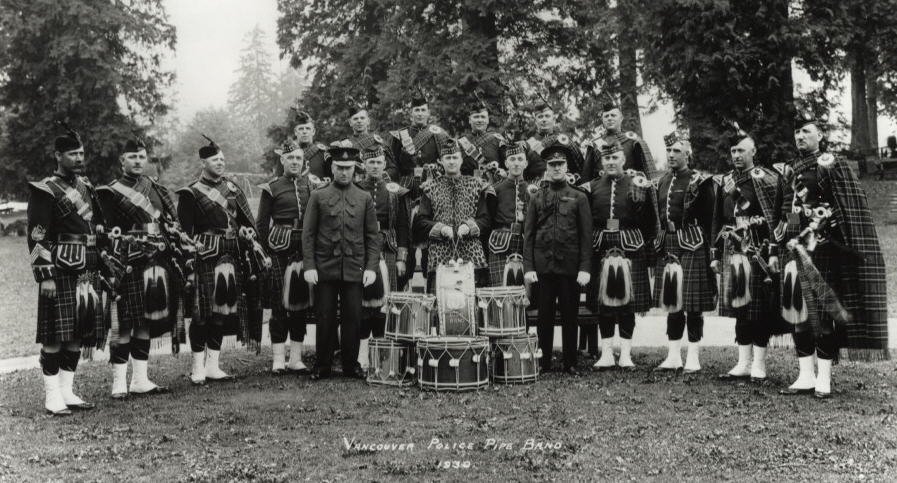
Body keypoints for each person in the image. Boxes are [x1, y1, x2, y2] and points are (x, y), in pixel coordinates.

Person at [778, 116, 889, 398]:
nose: (800, 136)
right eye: (797, 131)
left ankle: (824, 378)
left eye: (806, 131)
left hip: (822, 250)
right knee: (798, 312)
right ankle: (805, 374)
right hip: (794, 248)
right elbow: (785, 212)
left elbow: (849, 205)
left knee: (822, 314)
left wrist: (828, 226)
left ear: (820, 135)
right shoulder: (790, 169)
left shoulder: (830, 163)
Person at [96, 137, 185, 398]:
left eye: (141, 157)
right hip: (127, 262)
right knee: (124, 322)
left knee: (145, 318)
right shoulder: (109, 192)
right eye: (132, 157)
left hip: (157, 260)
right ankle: (118, 382)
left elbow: (172, 222)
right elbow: (105, 232)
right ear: (122, 161)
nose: (137, 161)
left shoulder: (155, 187)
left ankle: (141, 380)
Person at [27, 125, 104, 415]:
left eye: (81, 152)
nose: (79, 157)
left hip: (87, 267)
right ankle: (52, 395)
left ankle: (68, 391)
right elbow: (37, 236)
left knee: (77, 330)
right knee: (54, 335)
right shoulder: (44, 190)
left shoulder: (87, 187)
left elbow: (98, 228)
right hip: (59, 269)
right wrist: (44, 276)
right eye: (73, 153)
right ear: (58, 155)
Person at [177, 136, 262, 385]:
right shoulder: (190, 192)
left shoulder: (233, 189)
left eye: (223, 159)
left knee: (221, 311)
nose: (221, 163)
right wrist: (189, 263)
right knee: (201, 313)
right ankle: (197, 368)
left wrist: (248, 232)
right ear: (203, 162)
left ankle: (213, 365)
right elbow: (184, 233)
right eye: (216, 160)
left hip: (230, 254)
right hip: (204, 255)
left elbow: (249, 224)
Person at [712, 129, 786, 384]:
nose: (736, 155)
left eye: (741, 150)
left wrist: (737, 196)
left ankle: (759, 363)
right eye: (733, 151)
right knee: (740, 308)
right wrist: (714, 251)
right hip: (731, 249)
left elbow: (772, 216)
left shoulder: (766, 178)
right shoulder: (725, 179)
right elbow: (717, 218)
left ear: (753, 152)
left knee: (758, 310)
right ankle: (743, 362)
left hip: (757, 249)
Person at [302, 146, 380, 380]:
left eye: (348, 168)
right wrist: (309, 266)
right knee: (324, 317)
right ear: (332, 168)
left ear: (355, 169)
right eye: (340, 168)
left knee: (353, 318)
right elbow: (308, 234)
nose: (344, 172)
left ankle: (350, 365)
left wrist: (371, 267)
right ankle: (322, 365)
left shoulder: (364, 197)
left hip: (355, 268)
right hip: (325, 267)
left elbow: (372, 236)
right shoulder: (318, 195)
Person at [584, 142, 660, 370]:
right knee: (603, 304)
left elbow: (649, 222)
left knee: (627, 304)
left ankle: (626, 354)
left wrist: (648, 253)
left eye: (615, 157)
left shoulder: (638, 184)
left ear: (623, 159)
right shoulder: (592, 187)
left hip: (631, 246)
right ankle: (606, 354)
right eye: (606, 159)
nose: (610, 162)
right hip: (601, 246)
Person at [522, 144, 592, 375]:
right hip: (543, 266)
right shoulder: (537, 197)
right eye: (552, 165)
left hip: (570, 267)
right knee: (545, 317)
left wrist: (584, 268)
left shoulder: (579, 197)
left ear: (566, 166)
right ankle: (543, 362)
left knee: (570, 315)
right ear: (546, 168)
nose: (556, 168)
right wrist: (529, 267)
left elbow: (586, 236)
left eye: (560, 164)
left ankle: (570, 362)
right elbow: (529, 235)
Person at [256, 141, 323, 374]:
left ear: (303, 160)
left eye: (298, 158)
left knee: (300, 304)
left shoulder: (311, 186)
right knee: (278, 305)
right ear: (282, 161)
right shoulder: (271, 187)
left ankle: (295, 358)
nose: (295, 161)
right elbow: (262, 225)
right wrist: (263, 253)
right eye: (290, 158)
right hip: (278, 250)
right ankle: (277, 358)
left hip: (304, 248)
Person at [653, 132, 717, 373]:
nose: (671, 155)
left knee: (692, 304)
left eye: (676, 151)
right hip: (668, 243)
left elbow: (710, 219)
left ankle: (693, 357)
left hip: (692, 244)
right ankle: (672, 357)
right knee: (673, 301)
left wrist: (712, 253)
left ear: (688, 154)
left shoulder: (700, 181)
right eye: (669, 151)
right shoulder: (662, 180)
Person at [356, 145, 411, 368]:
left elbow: (403, 227)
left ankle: (384, 354)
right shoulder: (356, 188)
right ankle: (361, 354)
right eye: (371, 162)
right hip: (362, 248)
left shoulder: (395, 191)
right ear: (364, 165)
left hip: (388, 247)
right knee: (362, 304)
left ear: (385, 164)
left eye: (379, 162)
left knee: (386, 304)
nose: (375, 166)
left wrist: (401, 258)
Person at [413, 139, 492, 291]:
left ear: (461, 160)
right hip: (440, 256)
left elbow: (485, 219)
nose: (451, 161)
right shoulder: (430, 187)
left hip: (472, 254)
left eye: (455, 157)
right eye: (447, 158)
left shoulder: (476, 185)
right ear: (441, 161)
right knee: (441, 306)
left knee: (472, 305)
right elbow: (421, 221)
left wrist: (469, 227)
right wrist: (441, 228)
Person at [486, 141, 531, 286]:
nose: (516, 163)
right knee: (500, 292)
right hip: (499, 242)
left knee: (527, 294)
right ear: (506, 163)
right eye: (512, 160)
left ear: (526, 163)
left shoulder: (534, 191)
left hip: (526, 243)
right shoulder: (495, 190)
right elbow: (488, 220)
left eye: (520, 159)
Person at [388, 88, 450, 194]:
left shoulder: (439, 134)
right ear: (411, 113)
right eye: (417, 110)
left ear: (428, 113)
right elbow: (393, 165)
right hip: (406, 186)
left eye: (423, 110)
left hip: (434, 184)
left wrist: (436, 168)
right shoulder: (399, 136)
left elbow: (448, 162)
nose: (420, 114)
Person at [582, 100, 656, 182]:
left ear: (621, 118)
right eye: (606, 116)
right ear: (602, 120)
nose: (609, 118)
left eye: (613, 115)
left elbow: (648, 175)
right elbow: (586, 178)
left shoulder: (633, 141)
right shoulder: (594, 144)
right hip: (600, 192)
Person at [524, 100, 584, 182]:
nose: (544, 120)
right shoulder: (528, 144)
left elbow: (581, 168)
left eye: (547, 116)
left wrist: (572, 178)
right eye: (540, 117)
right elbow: (523, 176)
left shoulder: (564, 140)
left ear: (554, 119)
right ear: (536, 121)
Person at [338, 99, 399, 180]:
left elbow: (393, 168)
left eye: (362, 118)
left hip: (378, 184)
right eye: (355, 119)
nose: (359, 121)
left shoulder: (379, 141)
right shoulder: (345, 144)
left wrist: (383, 175)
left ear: (368, 121)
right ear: (350, 123)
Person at [458, 96, 506, 180]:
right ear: (469, 120)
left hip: (494, 188)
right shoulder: (460, 143)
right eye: (476, 117)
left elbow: (507, 166)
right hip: (469, 188)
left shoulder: (497, 140)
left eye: (483, 117)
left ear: (487, 120)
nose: (479, 120)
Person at [292, 110, 332, 180]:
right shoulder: (287, 154)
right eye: (301, 129)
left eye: (308, 128)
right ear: (295, 132)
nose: (304, 131)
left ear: (313, 131)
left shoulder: (324, 153)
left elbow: (332, 179)